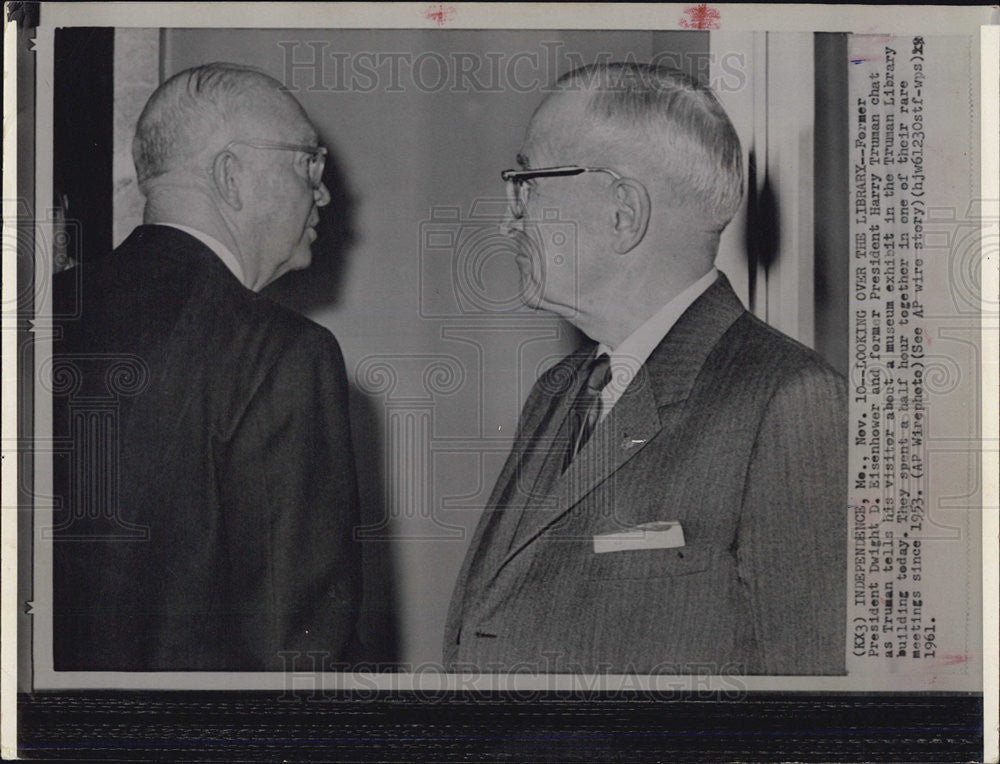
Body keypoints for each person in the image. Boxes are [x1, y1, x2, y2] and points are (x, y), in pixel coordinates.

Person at [444, 63, 847, 675]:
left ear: (623, 212)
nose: (509, 219)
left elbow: (811, 700)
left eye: (526, 184)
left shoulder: (789, 399)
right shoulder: (560, 390)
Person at [51, 63, 361, 670]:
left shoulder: (41, 315)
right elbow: (297, 657)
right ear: (231, 176)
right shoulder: (284, 353)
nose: (322, 191)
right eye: (308, 162)